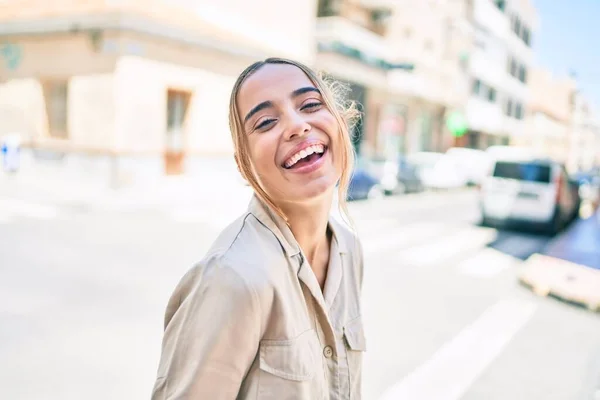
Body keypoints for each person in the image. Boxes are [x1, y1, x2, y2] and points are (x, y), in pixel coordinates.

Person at [151, 58, 366, 400]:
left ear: (339, 122)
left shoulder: (348, 249)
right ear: (244, 163)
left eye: (310, 105)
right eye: (266, 122)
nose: (297, 126)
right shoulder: (233, 277)